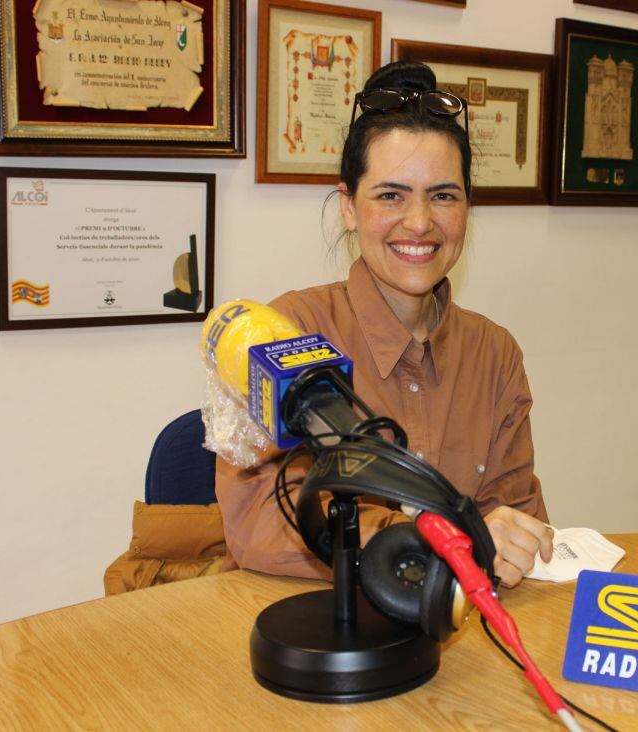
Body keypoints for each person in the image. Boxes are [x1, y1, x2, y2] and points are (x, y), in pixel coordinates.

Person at [216, 61, 551, 588]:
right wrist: (429, 537)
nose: (419, 222)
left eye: (443, 195)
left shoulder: (495, 353)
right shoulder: (289, 332)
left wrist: (514, 545)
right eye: (390, 195)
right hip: (310, 635)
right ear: (348, 206)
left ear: (467, 208)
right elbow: (260, 525)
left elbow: (515, 519)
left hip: (449, 634)